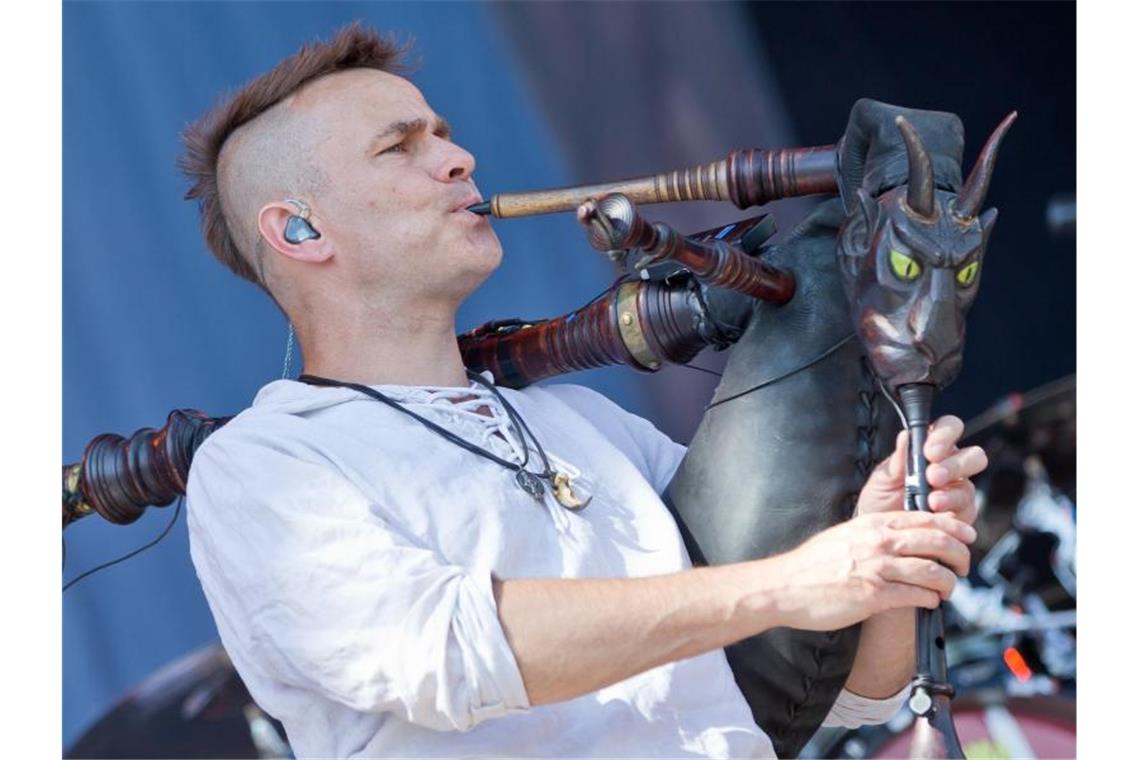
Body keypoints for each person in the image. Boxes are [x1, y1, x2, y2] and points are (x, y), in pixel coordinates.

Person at [182, 24, 987, 758]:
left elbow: (843, 693)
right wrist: (791, 580)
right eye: (399, 147)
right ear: (299, 230)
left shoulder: (581, 425)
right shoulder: (265, 464)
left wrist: (889, 557)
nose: (457, 160)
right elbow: (455, 653)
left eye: (446, 135)